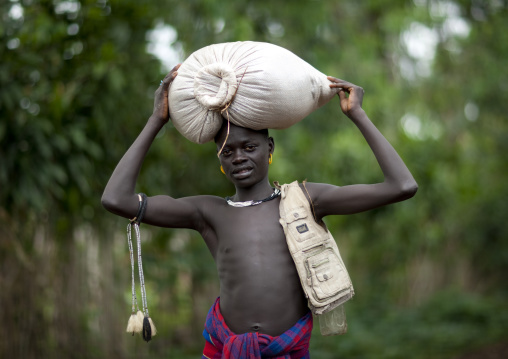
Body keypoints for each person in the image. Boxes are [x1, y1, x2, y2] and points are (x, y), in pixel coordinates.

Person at [101, 64, 418, 358]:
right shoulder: (208, 212)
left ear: (270, 149)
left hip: (287, 350)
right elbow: (117, 199)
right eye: (227, 151)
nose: (238, 157)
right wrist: (156, 119)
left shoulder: (305, 200)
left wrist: (357, 115)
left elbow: (402, 186)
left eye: (249, 147)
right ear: (220, 161)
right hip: (224, 348)